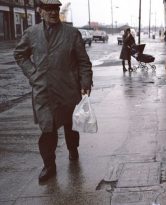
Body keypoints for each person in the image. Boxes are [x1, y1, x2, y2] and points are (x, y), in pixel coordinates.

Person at [13, 0, 93, 183]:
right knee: (47, 129)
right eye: (48, 9)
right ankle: (49, 165)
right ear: (40, 11)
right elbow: (19, 54)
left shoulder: (72, 33)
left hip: (68, 90)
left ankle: (73, 149)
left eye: (56, 8)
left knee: (70, 127)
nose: (53, 12)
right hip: (43, 91)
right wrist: (33, 74)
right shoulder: (31, 34)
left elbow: (83, 62)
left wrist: (85, 82)